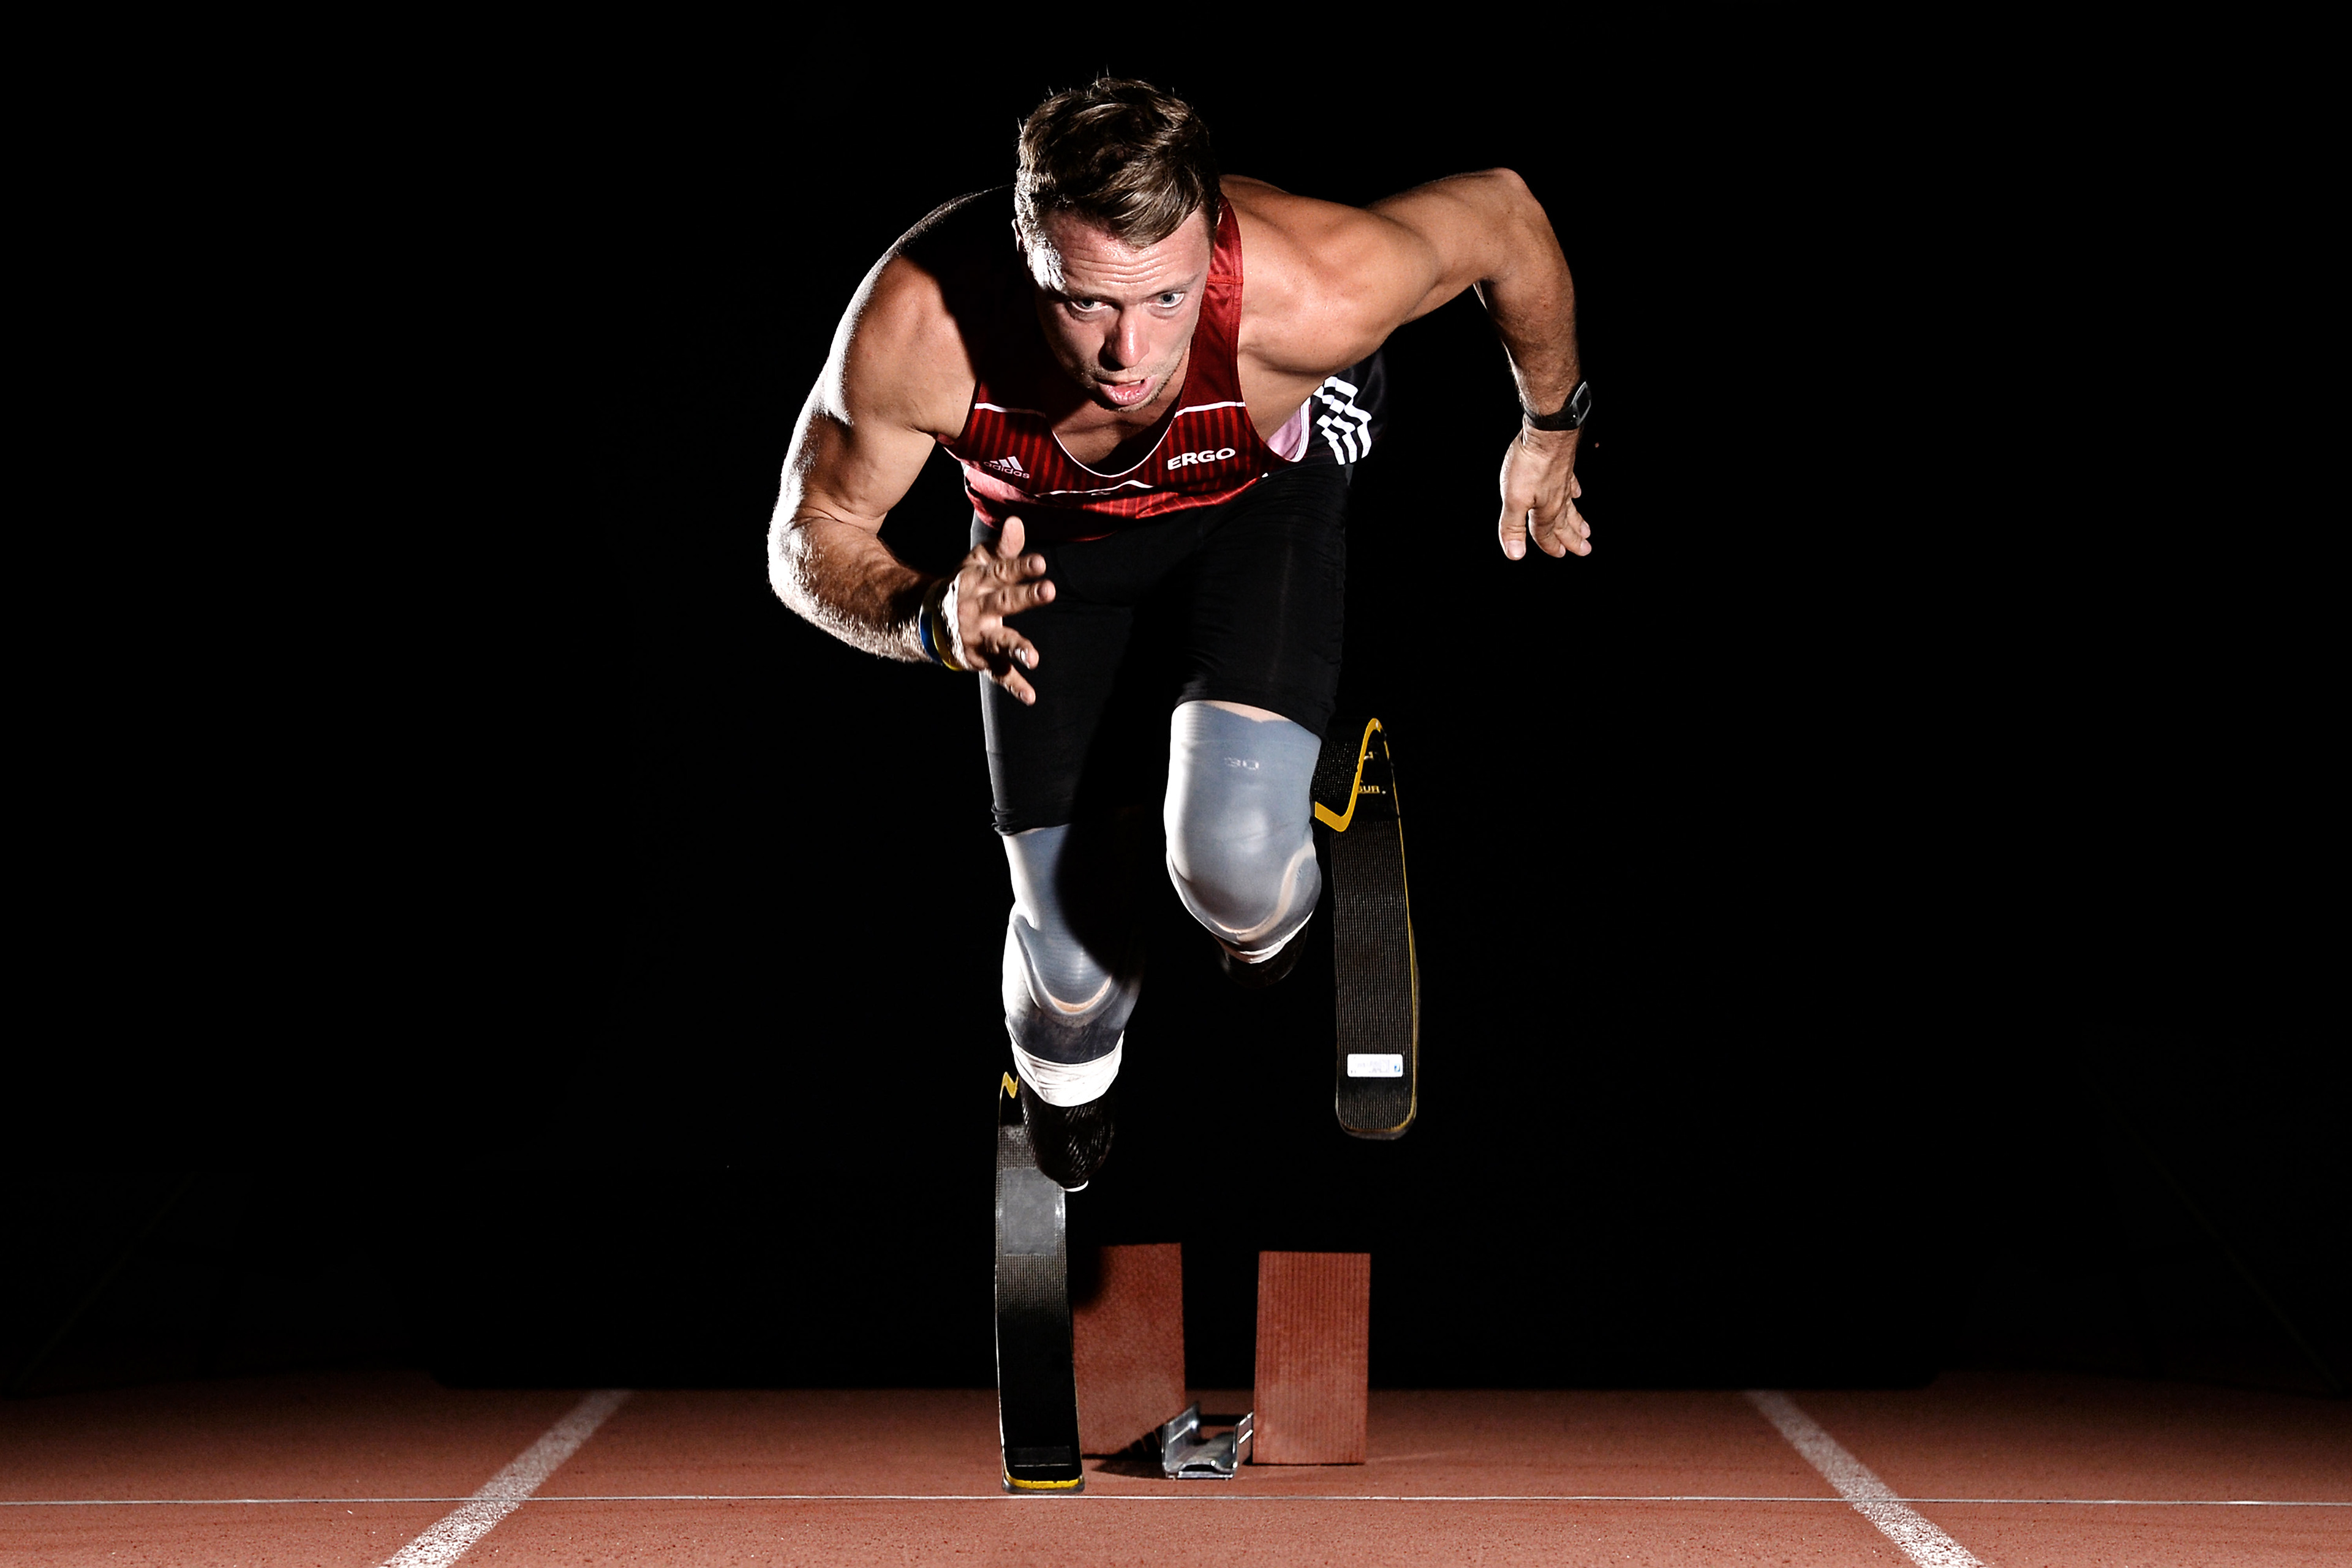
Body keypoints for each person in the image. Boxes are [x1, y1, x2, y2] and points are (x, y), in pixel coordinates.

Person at [768, 78, 1589, 1191]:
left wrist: (1551, 427)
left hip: (1254, 500)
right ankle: (1063, 1078)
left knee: (1234, 866)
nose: (1127, 352)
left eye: (1166, 296)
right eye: (1084, 302)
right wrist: (924, 615)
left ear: (1209, 241)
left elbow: (1506, 215)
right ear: (1026, 258)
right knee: (1070, 986)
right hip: (1042, 554)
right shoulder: (924, 321)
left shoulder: (1314, 283)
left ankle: (1280, 881)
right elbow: (808, 535)